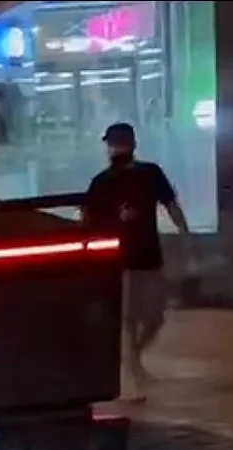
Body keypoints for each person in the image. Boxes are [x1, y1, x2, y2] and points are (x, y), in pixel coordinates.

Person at [83, 122, 191, 402]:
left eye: (118, 143)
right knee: (128, 318)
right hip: (119, 260)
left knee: (154, 317)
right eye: (113, 144)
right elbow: (88, 219)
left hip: (148, 255)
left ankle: (134, 359)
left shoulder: (149, 174)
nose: (115, 149)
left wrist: (184, 231)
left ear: (130, 144)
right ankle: (132, 372)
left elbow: (170, 204)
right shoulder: (101, 182)